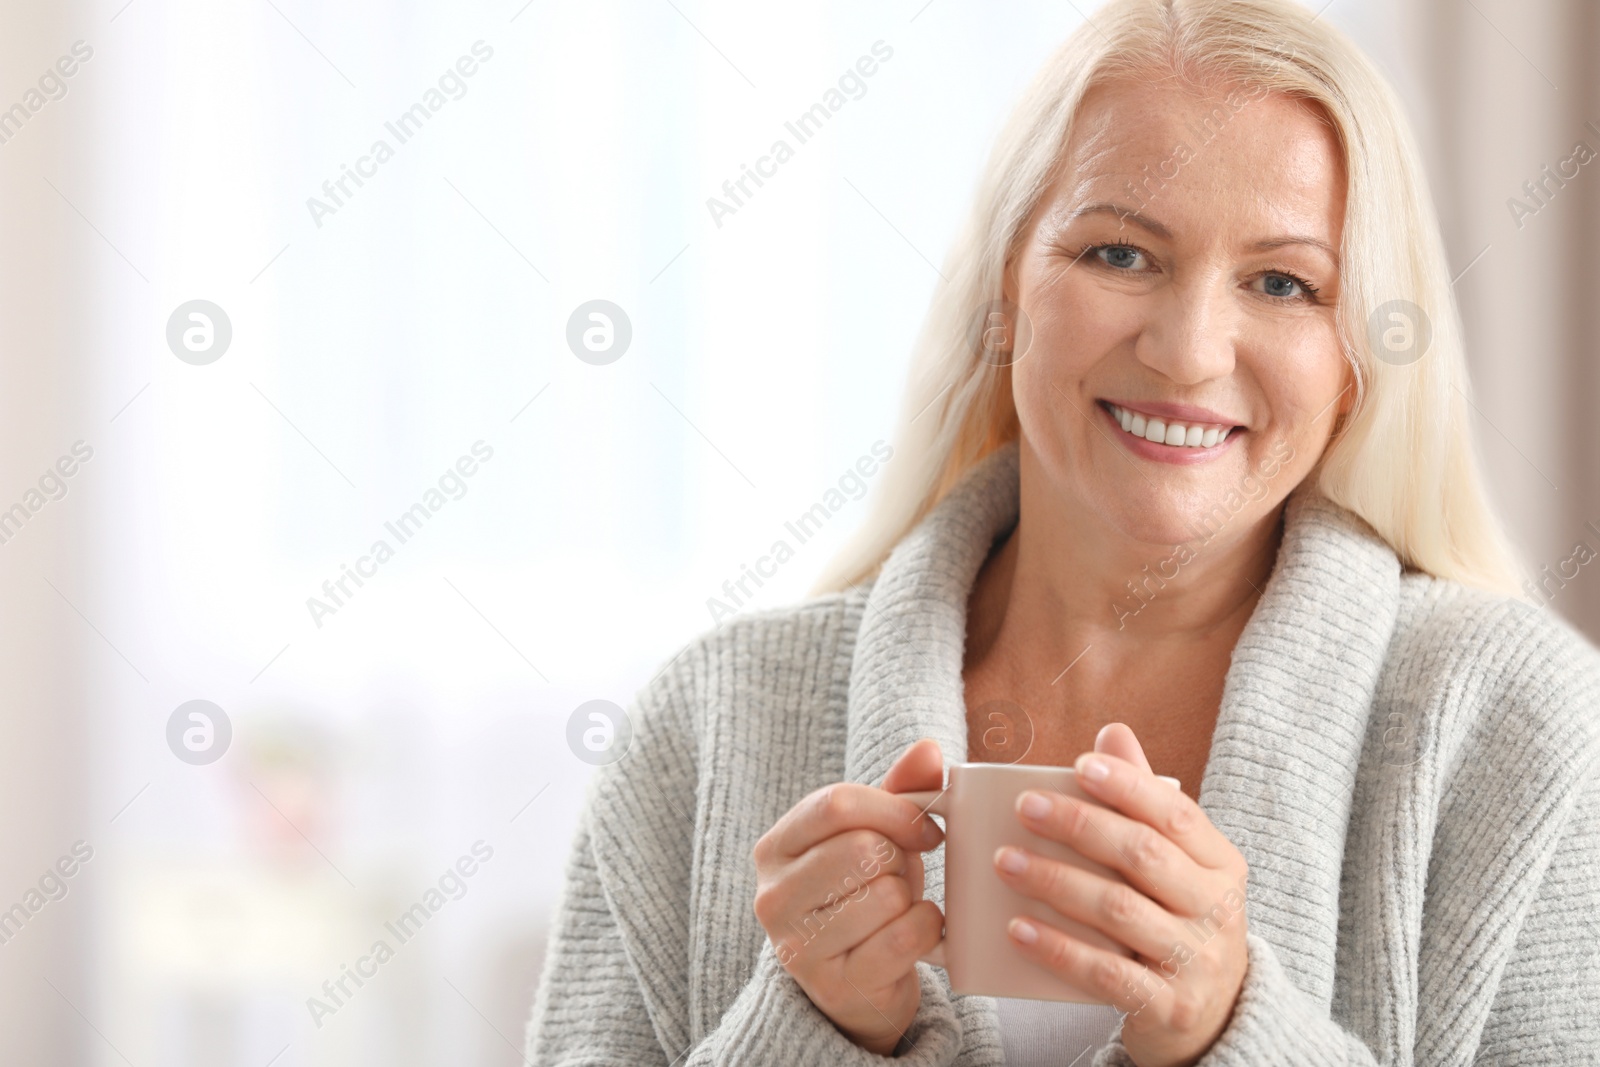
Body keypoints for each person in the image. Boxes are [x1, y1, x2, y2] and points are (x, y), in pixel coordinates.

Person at [525, 0, 1600, 1063]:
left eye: (1282, 282)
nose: (1187, 351)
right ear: (1007, 286)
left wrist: (1229, 1031)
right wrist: (809, 1032)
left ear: (1357, 356)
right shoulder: (707, 727)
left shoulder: (1523, 730)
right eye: (1120, 255)